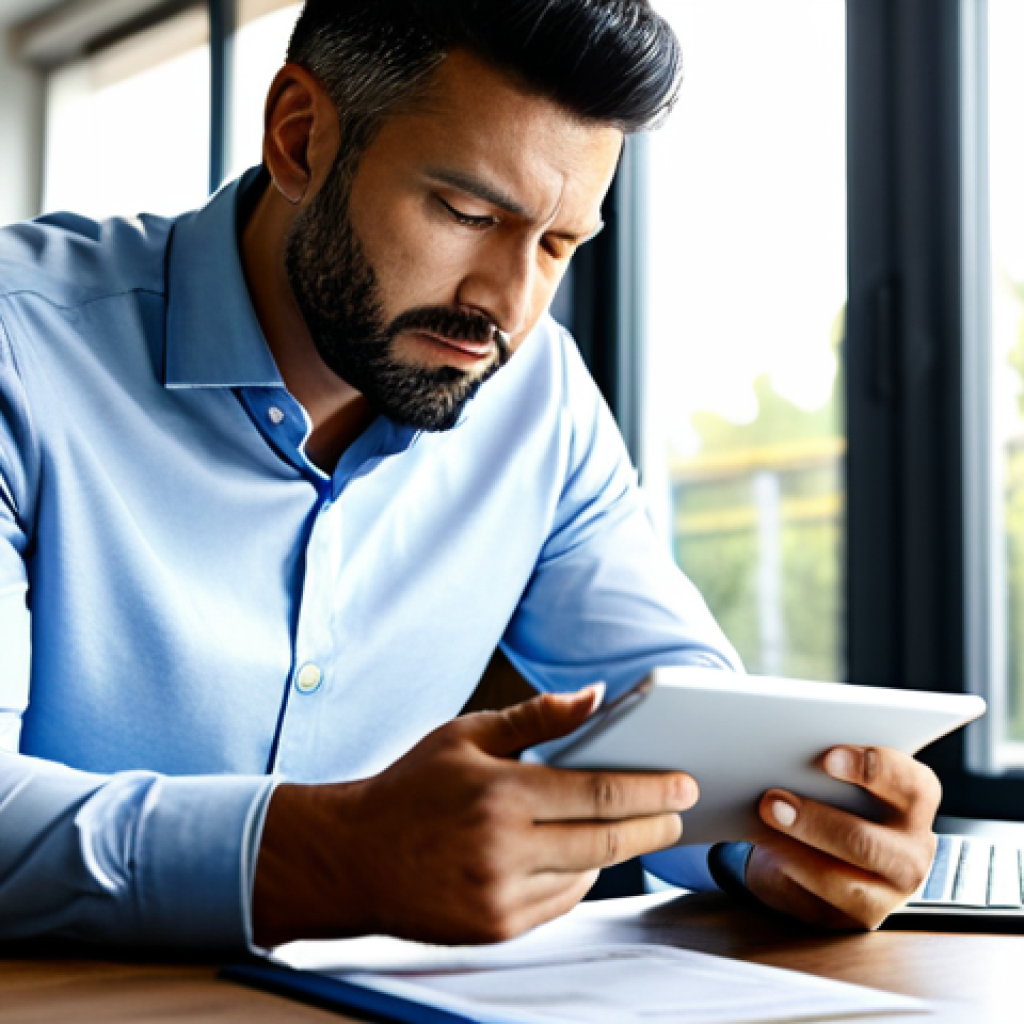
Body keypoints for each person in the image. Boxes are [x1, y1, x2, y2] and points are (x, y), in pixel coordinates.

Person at [0, 0, 939, 949]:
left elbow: (678, 713)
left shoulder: (540, 400)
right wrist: (334, 853)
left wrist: (781, 839)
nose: (509, 303)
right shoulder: (19, 349)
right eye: (470, 213)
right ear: (299, 138)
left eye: (559, 245)